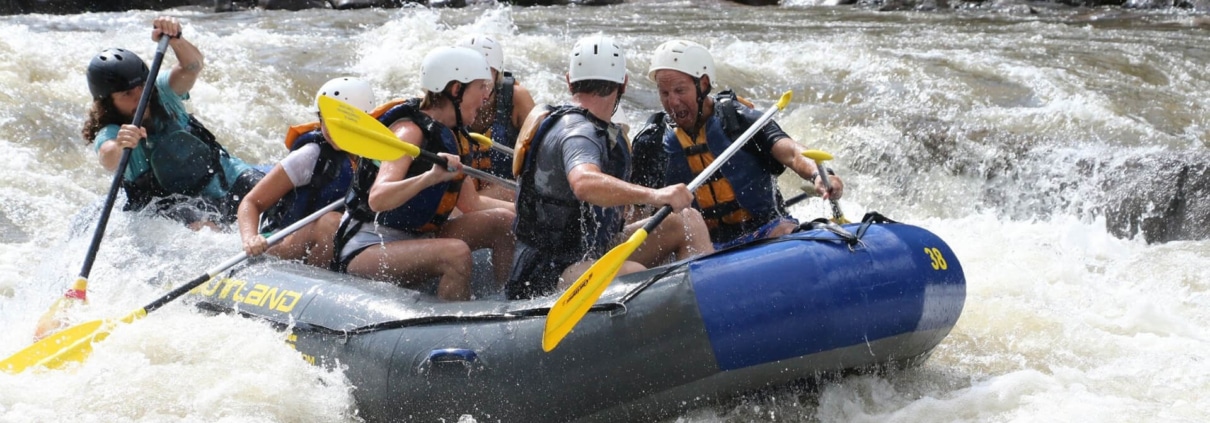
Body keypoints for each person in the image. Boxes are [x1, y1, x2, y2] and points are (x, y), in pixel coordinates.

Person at [506, 35, 714, 300]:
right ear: (624, 83)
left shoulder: (599, 129)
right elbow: (584, 183)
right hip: (547, 272)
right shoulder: (578, 133)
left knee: (686, 219)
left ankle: (709, 304)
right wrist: (655, 195)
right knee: (633, 274)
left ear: (569, 81)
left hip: (592, 250)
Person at [331, 47, 515, 301]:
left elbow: (472, 204)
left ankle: (504, 302)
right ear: (456, 90)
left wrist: (527, 210)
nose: (486, 96)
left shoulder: (452, 134)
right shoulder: (409, 132)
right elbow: (379, 198)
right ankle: (451, 329)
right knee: (456, 253)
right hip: (369, 247)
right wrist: (429, 177)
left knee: (504, 222)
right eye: (480, 87)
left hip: (417, 238)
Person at [633, 39, 845, 249]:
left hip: (765, 230)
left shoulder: (737, 119)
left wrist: (818, 174)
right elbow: (637, 209)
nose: (672, 102)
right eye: (664, 93)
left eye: (680, 91)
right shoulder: (653, 141)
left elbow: (791, 151)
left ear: (703, 84)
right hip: (703, 245)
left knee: (785, 232)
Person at [82, 16, 263, 231]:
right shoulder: (110, 131)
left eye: (141, 86)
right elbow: (107, 156)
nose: (141, 97)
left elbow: (192, 66)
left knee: (268, 190)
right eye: (127, 93)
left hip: (221, 178)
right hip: (172, 205)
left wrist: (176, 39)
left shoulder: (161, 92)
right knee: (202, 226)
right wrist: (121, 145)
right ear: (107, 103)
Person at [236, 77, 374, 268]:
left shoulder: (374, 156)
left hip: (341, 240)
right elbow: (251, 202)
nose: (331, 131)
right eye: (326, 122)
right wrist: (251, 239)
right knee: (331, 223)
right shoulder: (310, 155)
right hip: (282, 239)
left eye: (341, 124)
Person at [455, 34, 536, 202]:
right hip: (464, 196)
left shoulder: (516, 98)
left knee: (507, 190)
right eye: (469, 73)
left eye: (484, 72)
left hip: (504, 191)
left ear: (497, 73)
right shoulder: (448, 99)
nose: (476, 79)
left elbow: (540, 157)